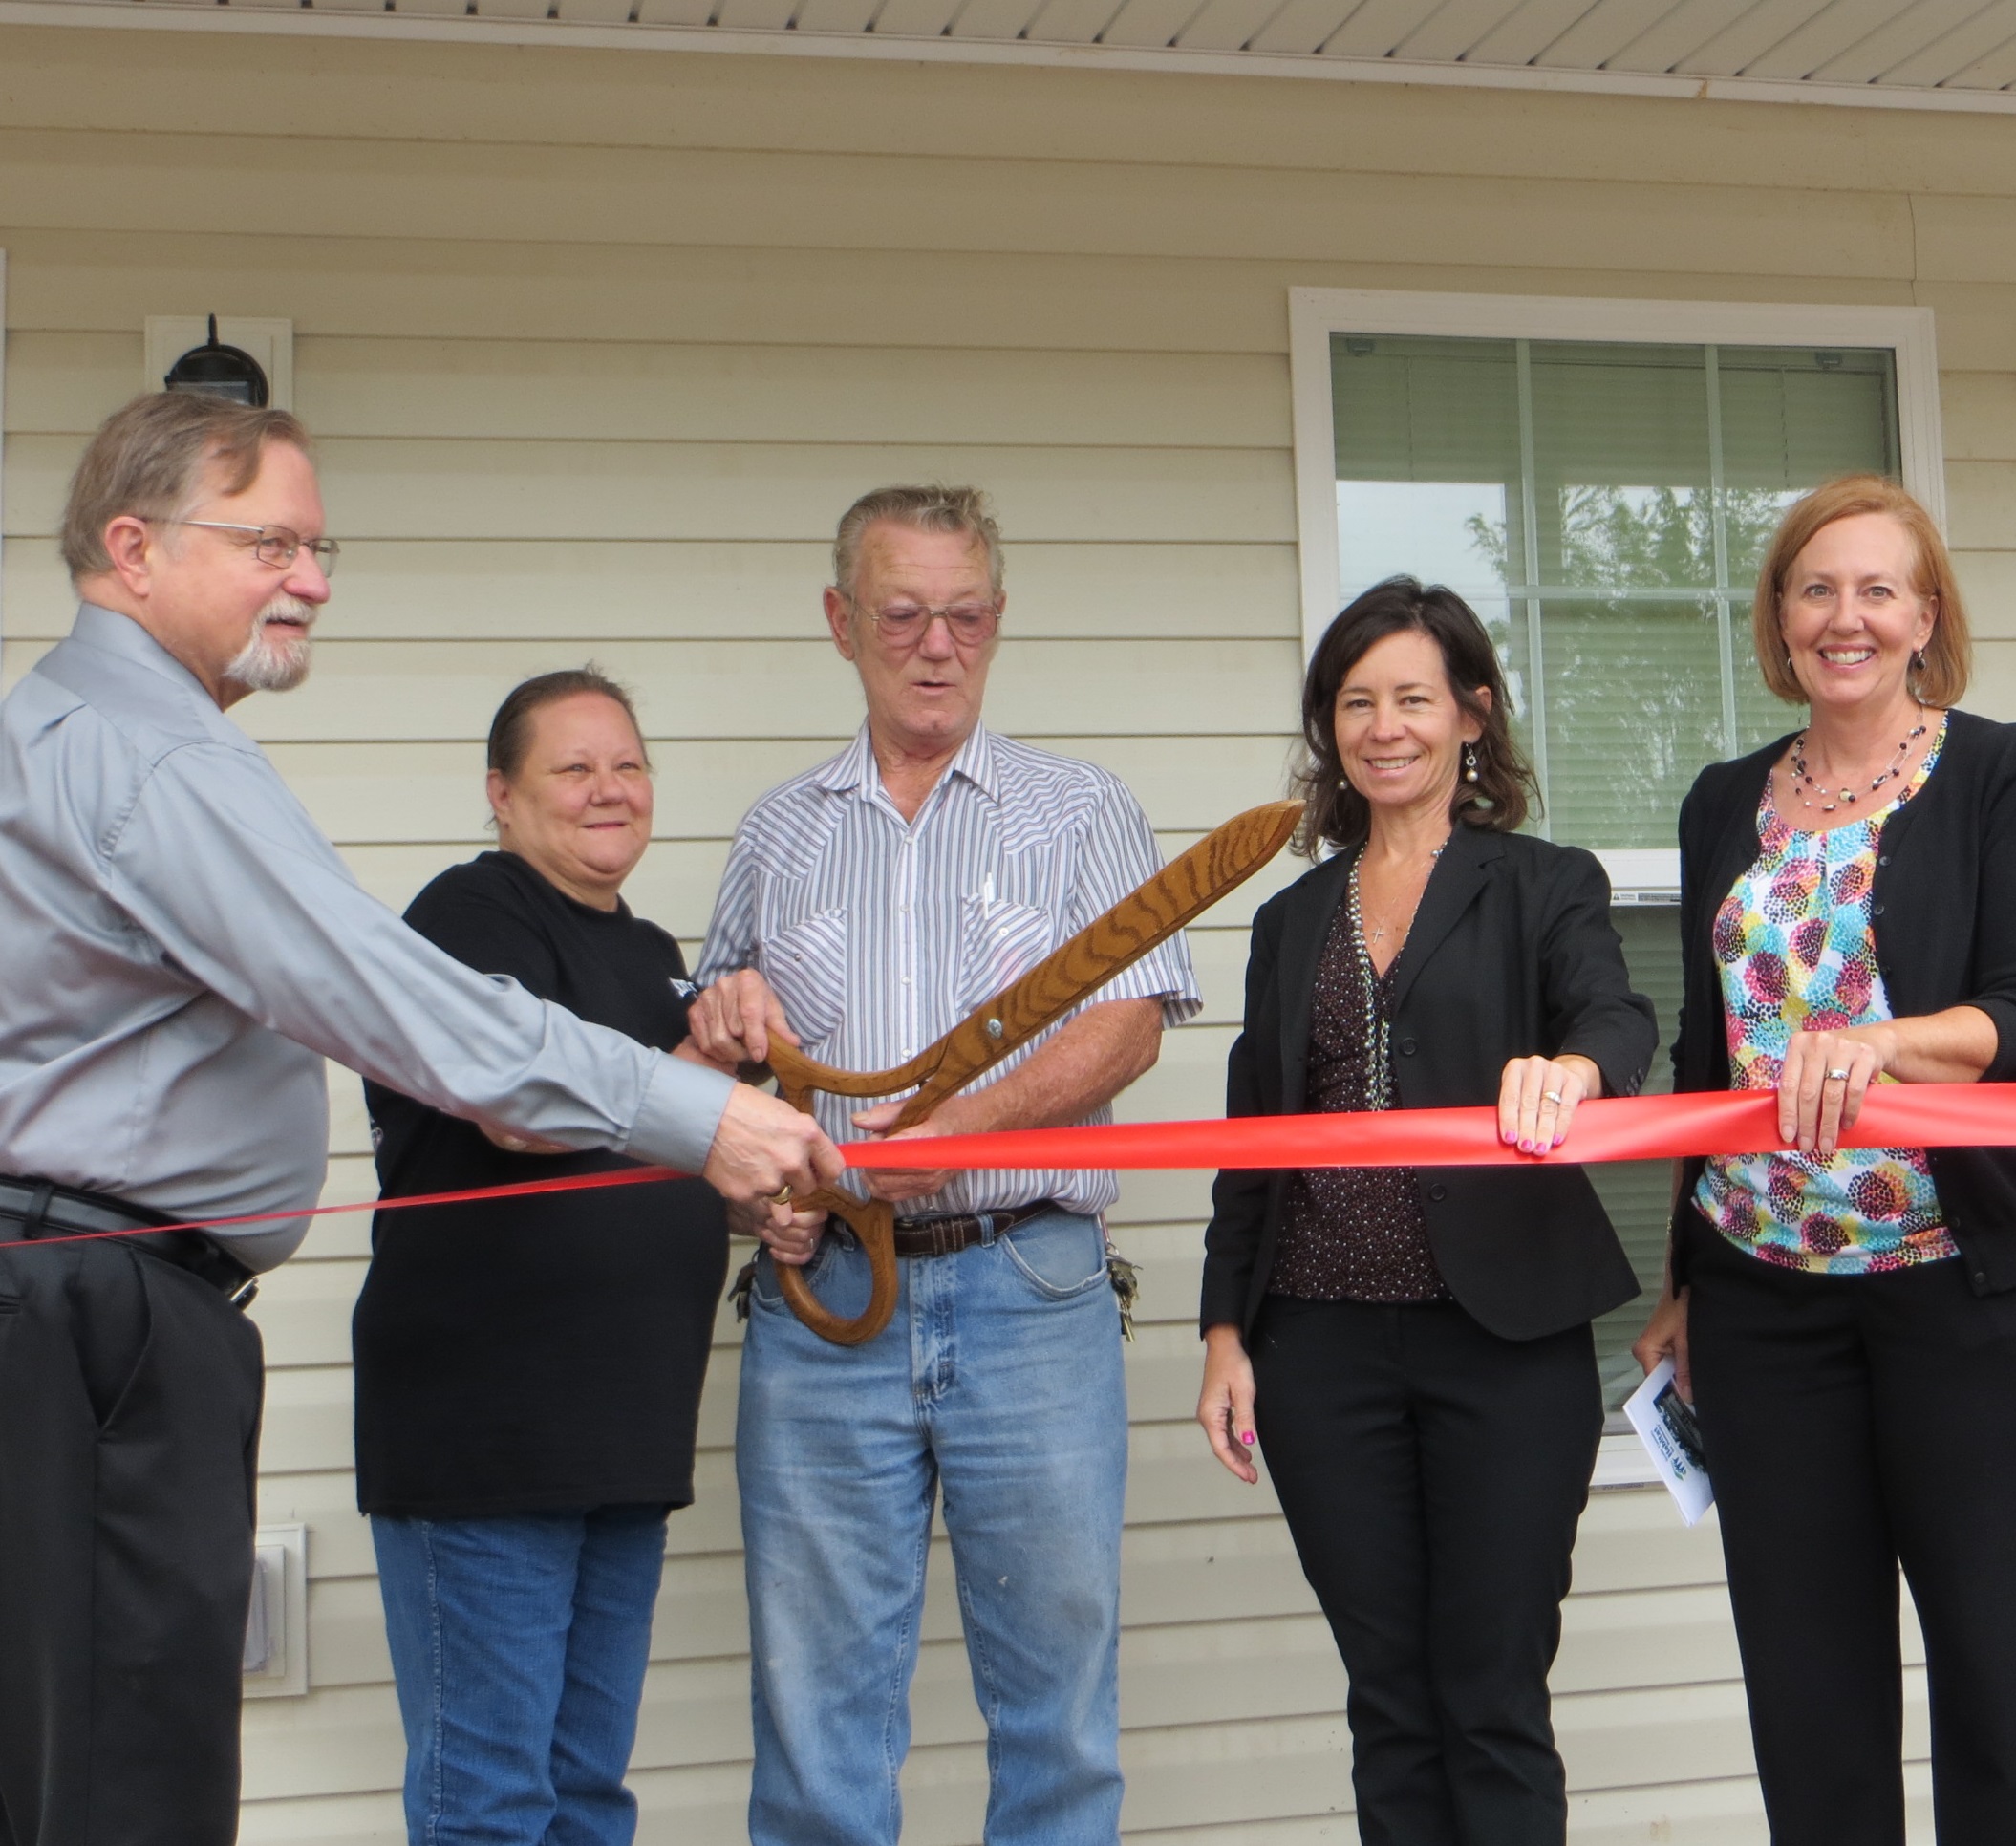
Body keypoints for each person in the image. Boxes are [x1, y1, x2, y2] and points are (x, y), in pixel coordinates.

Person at [0, 394, 837, 1846]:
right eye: (269, 540)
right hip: (102, 1319)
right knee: (128, 1780)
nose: (312, 579)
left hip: (106, 1311)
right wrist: (697, 1116)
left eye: (319, 546)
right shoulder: (155, 760)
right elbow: (401, 1006)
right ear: (131, 550)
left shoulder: (71, 733)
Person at [684, 484, 1200, 1846]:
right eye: (903, 613)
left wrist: (954, 1136)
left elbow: (1130, 1024)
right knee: (815, 1734)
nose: (936, 644)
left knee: (1055, 1729)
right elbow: (719, 1064)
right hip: (824, 1309)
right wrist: (754, 1153)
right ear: (840, 620)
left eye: (964, 615)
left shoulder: (1081, 811)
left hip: (1028, 1284)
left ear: (998, 619)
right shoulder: (775, 832)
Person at [1634, 475, 2016, 1845]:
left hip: (1968, 1298)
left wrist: (1888, 1043)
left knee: (2005, 1691)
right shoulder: (1725, 799)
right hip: (1763, 1299)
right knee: (1807, 1696)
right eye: (1814, 588)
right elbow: (1702, 1051)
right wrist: (1681, 1283)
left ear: (1924, 616)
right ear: (1779, 620)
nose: (1845, 616)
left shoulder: (1999, 771)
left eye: (1876, 588)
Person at [1194, 578, 1658, 1846]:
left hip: (1501, 1341)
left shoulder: (1543, 882)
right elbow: (1253, 1137)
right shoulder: (1290, 921)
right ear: (1327, 729)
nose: (1383, 726)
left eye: (1411, 696)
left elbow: (1615, 1017)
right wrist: (1224, 1334)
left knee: (1491, 1694)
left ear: (1471, 713)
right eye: (1355, 702)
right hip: (1316, 1347)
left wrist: (1578, 1070)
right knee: (1389, 1702)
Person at [354, 669, 731, 1846]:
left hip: (619, 1440)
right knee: (489, 1805)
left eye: (627, 764)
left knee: (582, 1799)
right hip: (487, 1441)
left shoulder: (655, 952)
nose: (608, 790)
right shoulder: (471, 915)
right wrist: (708, 1073)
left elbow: (678, 1149)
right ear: (501, 796)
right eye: (573, 768)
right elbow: (515, 1104)